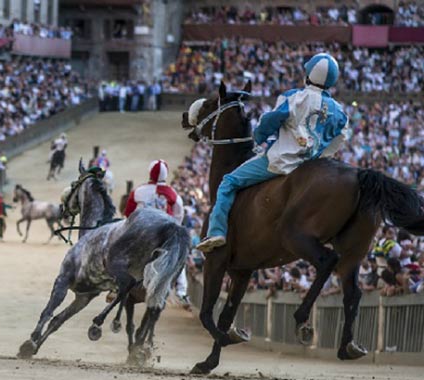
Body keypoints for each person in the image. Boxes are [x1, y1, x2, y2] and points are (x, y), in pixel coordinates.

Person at [196, 53, 351, 253]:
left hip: (279, 162)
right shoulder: (339, 112)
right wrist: (320, 156)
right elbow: (341, 138)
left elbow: (269, 121)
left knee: (228, 182)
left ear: (308, 74)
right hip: (309, 167)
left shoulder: (293, 97)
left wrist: (260, 139)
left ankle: (216, 231)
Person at [124, 160, 189, 305]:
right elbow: (179, 214)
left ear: (150, 173)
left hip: (141, 233)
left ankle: (116, 285)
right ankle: (181, 292)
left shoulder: (139, 191)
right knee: (179, 257)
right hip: (165, 236)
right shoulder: (172, 193)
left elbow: (128, 213)